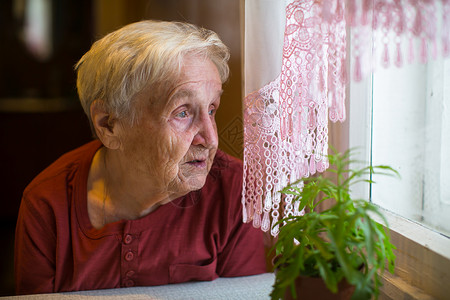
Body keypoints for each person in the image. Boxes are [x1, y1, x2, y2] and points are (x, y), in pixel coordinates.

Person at [14, 20, 266, 295]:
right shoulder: (48, 204)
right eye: (182, 112)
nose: (211, 139)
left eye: (212, 109)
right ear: (108, 125)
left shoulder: (235, 191)